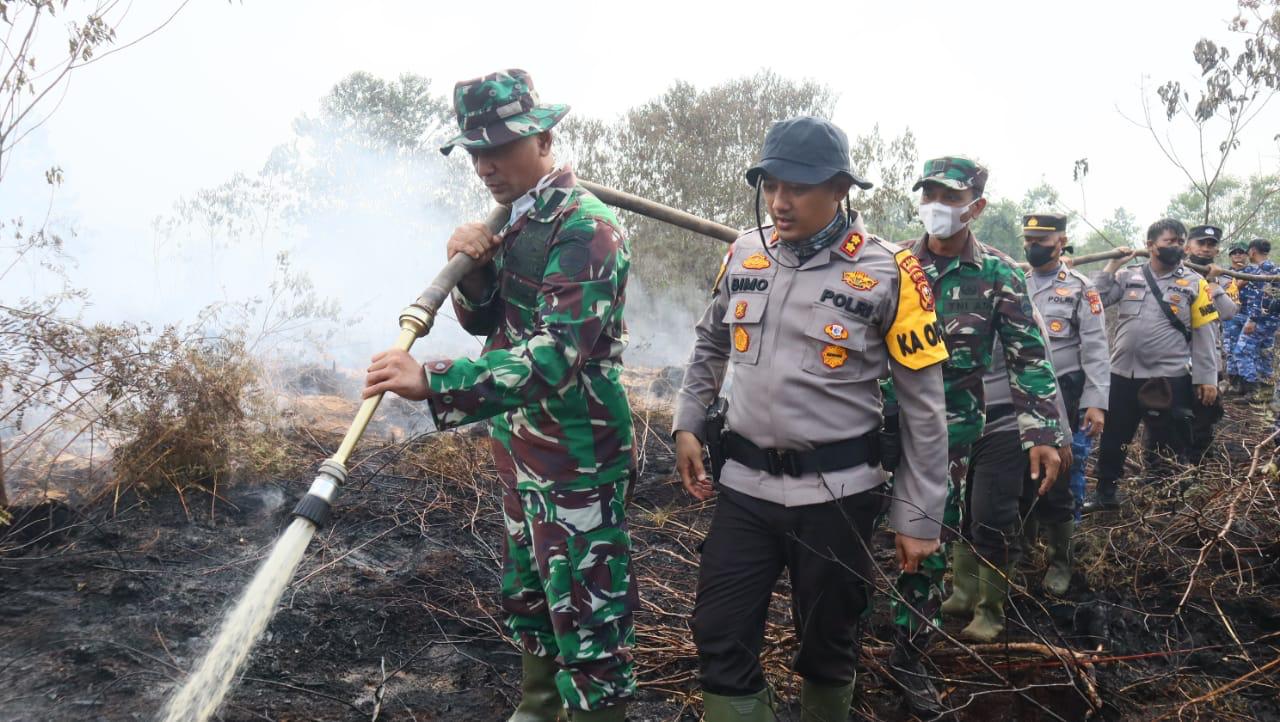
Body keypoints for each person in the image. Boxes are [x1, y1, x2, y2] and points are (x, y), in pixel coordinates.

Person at [361, 68, 635, 721]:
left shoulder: (587, 229)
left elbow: (553, 357)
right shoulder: (512, 220)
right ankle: (537, 709)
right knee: (534, 594)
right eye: (475, 152)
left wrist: (435, 380)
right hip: (521, 448)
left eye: (499, 148)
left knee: (589, 618)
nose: (484, 165)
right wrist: (475, 271)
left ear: (543, 139)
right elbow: (489, 323)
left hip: (577, 455)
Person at [673, 117, 949, 721]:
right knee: (719, 632)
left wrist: (919, 516)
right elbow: (710, 345)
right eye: (771, 184)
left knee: (828, 643)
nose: (780, 200)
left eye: (797, 187)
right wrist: (688, 421)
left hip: (838, 495)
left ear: (840, 189)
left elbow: (925, 407)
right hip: (743, 488)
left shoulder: (891, 271)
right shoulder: (745, 251)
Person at [883, 157, 1061, 716]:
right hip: (877, 423)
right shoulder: (891, 265)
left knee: (928, 538)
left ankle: (909, 653)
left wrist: (1043, 432)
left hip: (950, 429)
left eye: (949, 195)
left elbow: (1029, 355)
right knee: (854, 530)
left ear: (975, 206)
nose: (936, 204)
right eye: (929, 192)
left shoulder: (998, 274)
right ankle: (850, 627)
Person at [1085, 219, 1219, 512]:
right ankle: (1105, 494)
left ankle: (1167, 499)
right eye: (1170, 241)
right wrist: (1110, 266)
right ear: (1150, 245)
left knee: (1167, 440)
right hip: (1121, 375)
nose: (1178, 246)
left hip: (1166, 379)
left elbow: (1205, 334)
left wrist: (1207, 377)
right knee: (1114, 438)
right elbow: (1095, 301)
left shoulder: (1195, 283)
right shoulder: (1128, 276)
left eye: (1180, 241)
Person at [1015, 214, 1108, 592]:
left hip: (1063, 394)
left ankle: (1060, 561)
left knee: (1061, 474)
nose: (1033, 244)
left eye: (1042, 237)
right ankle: (1021, 552)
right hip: (1019, 393)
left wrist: (1096, 402)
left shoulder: (1080, 289)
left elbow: (1097, 350)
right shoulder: (1013, 283)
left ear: (1061, 241)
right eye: (1028, 238)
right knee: (1022, 474)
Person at [1182, 225, 1236, 468]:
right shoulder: (1174, 272)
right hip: (1178, 358)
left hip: (1209, 359)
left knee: (1205, 414)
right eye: (1201, 243)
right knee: (1175, 416)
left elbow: (1229, 312)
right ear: (1188, 246)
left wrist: (1213, 283)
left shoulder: (1225, 279)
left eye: (1211, 244)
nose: (1205, 249)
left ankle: (1198, 467)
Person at [1232, 239, 1279, 400]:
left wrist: (1252, 319)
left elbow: (1259, 297)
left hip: (1259, 320)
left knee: (1241, 351)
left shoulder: (1260, 273)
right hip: (1272, 321)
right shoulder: (1275, 269)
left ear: (1252, 251)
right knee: (1265, 353)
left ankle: (1253, 391)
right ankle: (1266, 392)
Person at [1223, 243, 1249, 391]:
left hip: (1250, 316)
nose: (1237, 255)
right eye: (1234, 252)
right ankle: (1233, 382)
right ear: (1230, 256)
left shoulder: (1254, 271)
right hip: (1231, 315)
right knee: (1231, 347)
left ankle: (1248, 385)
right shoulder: (1224, 273)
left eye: (1241, 252)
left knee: (1247, 349)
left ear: (1246, 255)